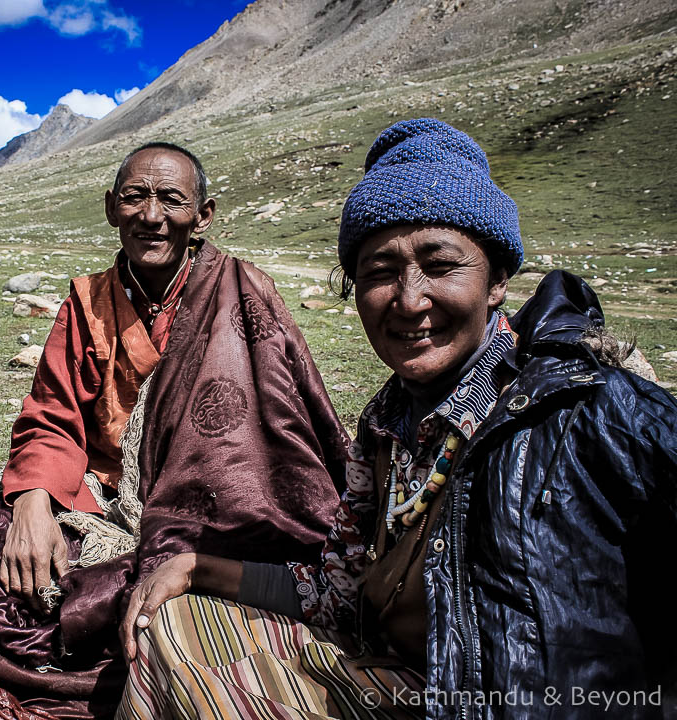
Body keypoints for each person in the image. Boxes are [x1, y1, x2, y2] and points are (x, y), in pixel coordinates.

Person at [115, 119, 677, 719]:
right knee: (171, 624)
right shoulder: (388, 424)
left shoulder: (590, 411)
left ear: (497, 282)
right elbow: (343, 594)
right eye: (380, 272)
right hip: (409, 675)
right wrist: (195, 565)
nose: (410, 301)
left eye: (440, 266)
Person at [0, 143, 350, 719]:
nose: (151, 216)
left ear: (202, 215)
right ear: (111, 208)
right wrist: (33, 503)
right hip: (103, 503)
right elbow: (53, 412)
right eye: (134, 197)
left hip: (211, 512)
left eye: (171, 200)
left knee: (133, 589)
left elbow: (284, 413)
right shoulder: (87, 303)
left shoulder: (243, 291)